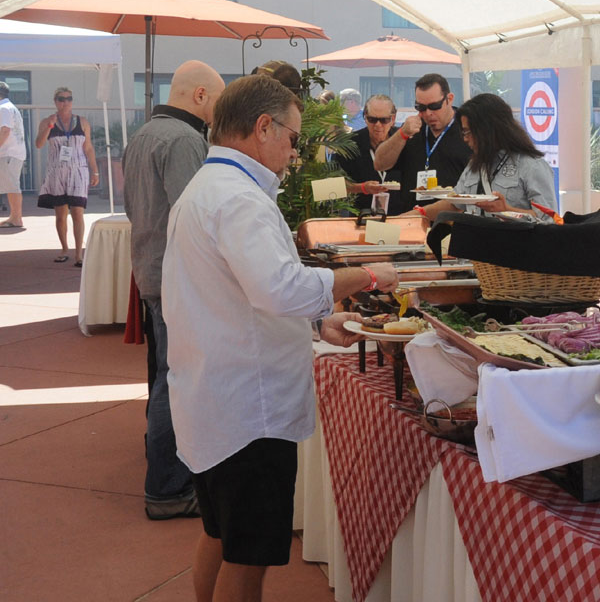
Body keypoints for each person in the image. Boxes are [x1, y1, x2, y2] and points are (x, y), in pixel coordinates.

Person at [163, 74, 398, 602]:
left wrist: (316, 322)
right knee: (247, 559)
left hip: (217, 395)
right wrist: (369, 275)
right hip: (249, 410)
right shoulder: (238, 197)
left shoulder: (211, 187)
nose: (296, 152)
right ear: (262, 126)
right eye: (294, 138)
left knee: (220, 535)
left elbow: (241, 295)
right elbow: (277, 287)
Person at [123, 60, 226, 520]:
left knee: (167, 374)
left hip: (151, 268)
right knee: (176, 379)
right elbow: (196, 214)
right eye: (218, 102)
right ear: (200, 96)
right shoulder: (185, 139)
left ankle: (164, 471)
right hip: (174, 276)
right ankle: (166, 488)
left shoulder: (145, 132)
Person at [409, 93, 556, 220]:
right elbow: (455, 203)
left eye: (468, 132)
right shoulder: (475, 165)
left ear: (488, 130)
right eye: (463, 133)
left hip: (515, 250)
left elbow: (548, 219)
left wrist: (506, 210)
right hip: (475, 248)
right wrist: (418, 213)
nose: (465, 139)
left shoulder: (531, 166)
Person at [371, 73, 472, 215]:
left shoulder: (466, 129)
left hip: (452, 221)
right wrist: (402, 134)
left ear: (449, 99)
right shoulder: (413, 129)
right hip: (413, 218)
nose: (428, 113)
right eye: (421, 108)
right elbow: (379, 163)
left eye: (434, 106)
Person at [35, 87, 99, 265]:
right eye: (61, 99)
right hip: (57, 172)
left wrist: (95, 170)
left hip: (78, 171)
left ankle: (79, 253)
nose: (65, 102)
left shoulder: (82, 122)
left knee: (78, 212)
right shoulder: (48, 121)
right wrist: (49, 126)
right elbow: (39, 144)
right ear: (55, 101)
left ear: (72, 101)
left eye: (69, 99)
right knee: (61, 214)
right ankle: (64, 248)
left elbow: (88, 148)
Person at [332, 94, 399, 212]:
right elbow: (331, 186)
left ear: (392, 119)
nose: (378, 125)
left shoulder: (404, 142)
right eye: (372, 119)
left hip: (402, 218)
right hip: (362, 217)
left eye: (384, 120)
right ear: (365, 117)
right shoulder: (350, 144)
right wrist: (361, 188)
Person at [0, 81, 25, 229]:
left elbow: (5, 131)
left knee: (12, 186)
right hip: (13, 153)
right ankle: (14, 217)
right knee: (11, 185)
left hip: (9, 153)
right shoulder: (10, 107)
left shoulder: (3, 108)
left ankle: (16, 218)